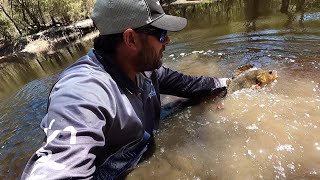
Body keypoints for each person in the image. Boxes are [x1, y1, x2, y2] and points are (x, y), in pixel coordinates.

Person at [21, 0, 229, 179]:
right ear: (131, 39)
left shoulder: (144, 69)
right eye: (162, 34)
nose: (168, 42)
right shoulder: (81, 93)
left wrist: (229, 82)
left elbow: (190, 85)